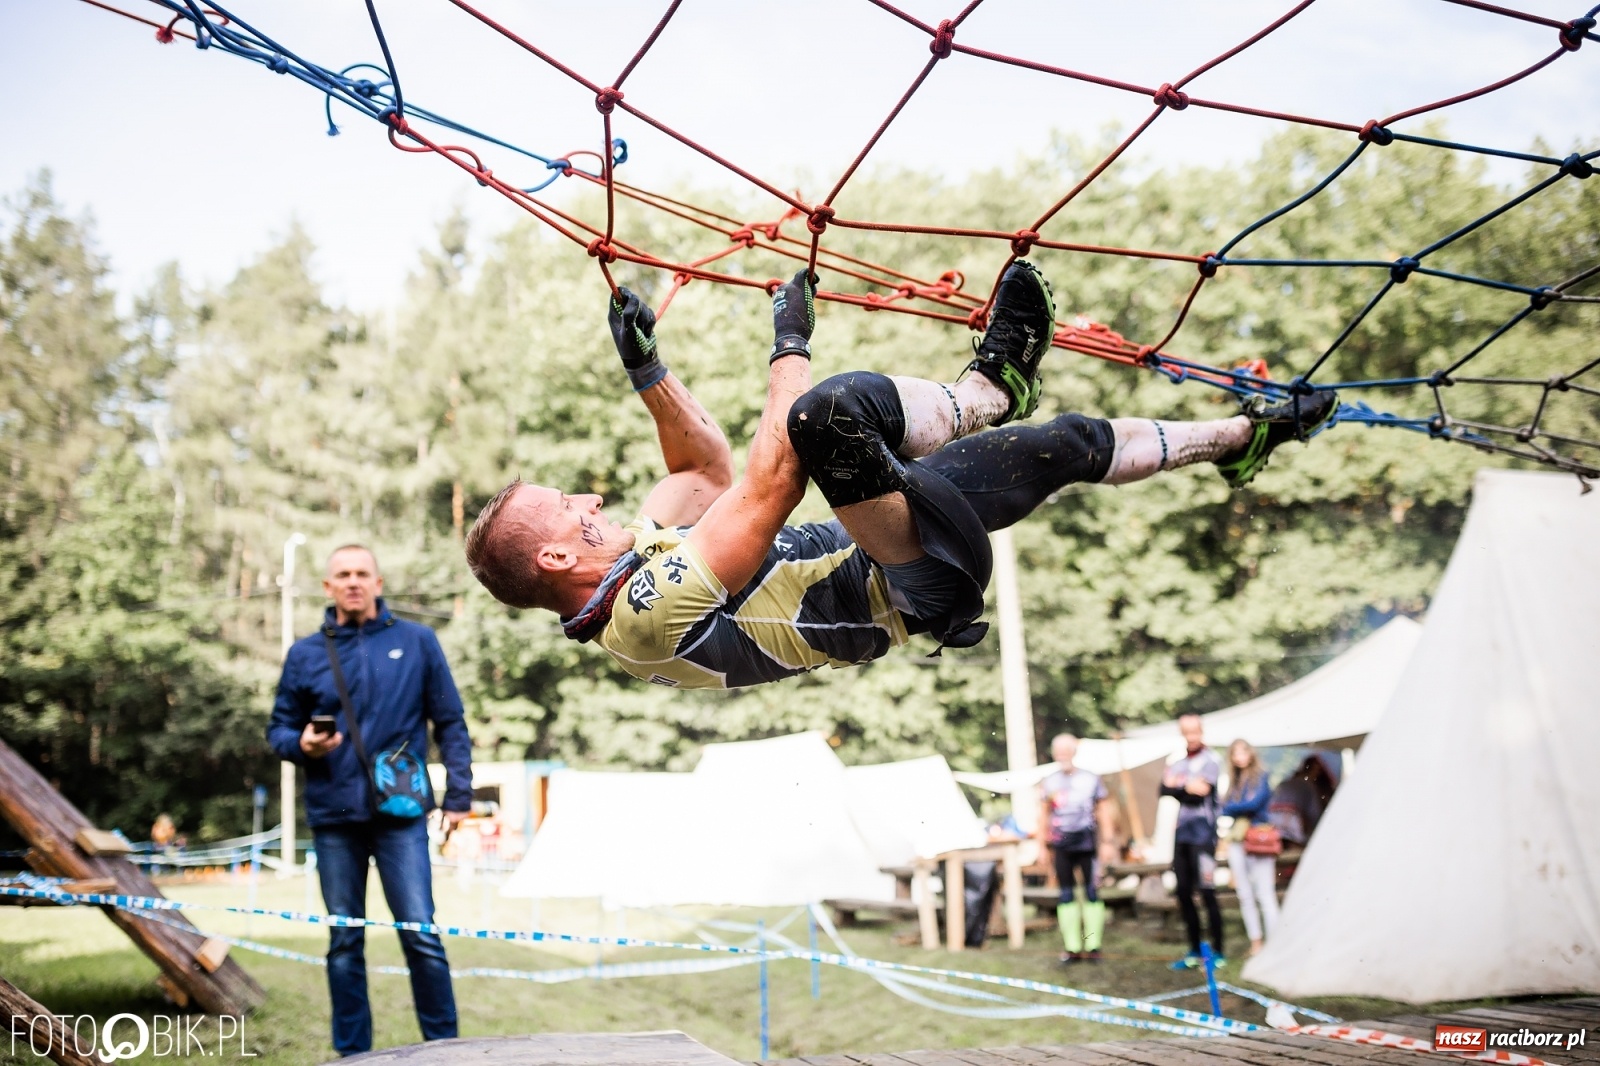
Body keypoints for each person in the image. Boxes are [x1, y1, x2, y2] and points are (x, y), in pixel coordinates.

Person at [465, 262, 1337, 688]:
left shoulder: (643, 551)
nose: (588, 499)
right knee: (820, 415)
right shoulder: (643, 617)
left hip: (892, 526)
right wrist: (789, 344)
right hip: (909, 586)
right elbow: (771, 483)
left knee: (1068, 441)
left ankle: (1241, 438)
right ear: (552, 561)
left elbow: (704, 466)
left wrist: (648, 373)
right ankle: (985, 390)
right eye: (568, 510)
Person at [267, 545, 474, 1057]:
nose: (353, 582)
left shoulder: (419, 642)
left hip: (401, 817)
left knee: (421, 934)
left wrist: (459, 796)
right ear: (328, 586)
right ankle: (352, 1055)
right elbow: (277, 730)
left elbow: (450, 722)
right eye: (343, 574)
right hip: (334, 818)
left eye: (362, 573)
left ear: (378, 583)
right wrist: (302, 745)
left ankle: (445, 1049)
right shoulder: (305, 654)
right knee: (344, 943)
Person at [1038, 734, 1117, 964]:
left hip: (1087, 842)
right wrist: (1042, 846)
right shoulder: (1049, 781)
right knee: (1066, 894)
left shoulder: (1091, 779)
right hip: (1061, 843)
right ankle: (1072, 947)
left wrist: (1108, 843)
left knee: (1092, 893)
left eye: (1066, 750)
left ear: (1074, 752)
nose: (1062, 754)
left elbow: (1103, 811)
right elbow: (1043, 814)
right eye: (1058, 750)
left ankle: (1093, 945)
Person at [1161, 713, 1225, 968]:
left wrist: (1179, 788)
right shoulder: (1178, 762)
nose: (1191, 736)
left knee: (1207, 892)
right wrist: (1185, 787)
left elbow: (1200, 794)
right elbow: (1163, 789)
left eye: (1195, 731)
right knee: (1184, 892)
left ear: (1201, 732)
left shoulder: (1211, 760)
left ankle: (1218, 951)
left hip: (1204, 835)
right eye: (1186, 732)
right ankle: (1194, 950)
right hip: (1183, 835)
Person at [1221, 738, 1278, 957]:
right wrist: (1233, 808)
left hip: (1258, 837)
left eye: (1243, 752)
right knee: (1245, 894)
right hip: (1238, 838)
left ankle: (1274, 944)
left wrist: (1232, 808)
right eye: (1235, 753)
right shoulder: (1235, 782)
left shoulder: (1261, 777)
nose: (1240, 757)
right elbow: (1224, 806)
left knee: (1265, 893)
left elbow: (1254, 804)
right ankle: (1256, 942)